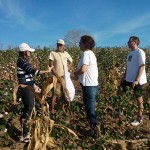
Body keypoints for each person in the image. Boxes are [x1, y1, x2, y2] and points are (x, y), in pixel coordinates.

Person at [17, 43, 52, 142]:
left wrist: (34, 86)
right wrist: (47, 71)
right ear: (25, 52)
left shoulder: (23, 61)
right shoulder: (21, 61)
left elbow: (28, 77)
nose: (30, 53)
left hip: (28, 87)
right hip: (25, 88)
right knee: (30, 108)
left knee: (31, 107)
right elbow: (33, 71)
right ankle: (25, 135)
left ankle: (25, 130)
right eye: (29, 51)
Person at [74, 35, 99, 140]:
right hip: (90, 85)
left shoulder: (86, 53)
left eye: (80, 42)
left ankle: (95, 133)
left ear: (85, 44)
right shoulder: (90, 54)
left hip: (89, 86)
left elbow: (83, 69)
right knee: (89, 109)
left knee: (90, 110)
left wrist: (76, 73)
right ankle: (93, 129)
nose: (79, 44)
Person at [121, 36, 147, 126]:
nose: (128, 42)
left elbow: (142, 66)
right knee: (121, 93)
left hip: (138, 81)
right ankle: (121, 111)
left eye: (129, 41)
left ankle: (140, 118)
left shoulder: (140, 52)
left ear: (135, 42)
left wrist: (136, 80)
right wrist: (124, 76)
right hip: (128, 79)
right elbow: (128, 68)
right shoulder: (130, 54)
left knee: (139, 98)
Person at [49, 39, 73, 113]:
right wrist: (57, 75)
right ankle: (52, 109)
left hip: (64, 76)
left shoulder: (66, 53)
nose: (59, 46)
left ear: (63, 46)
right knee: (55, 93)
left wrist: (67, 69)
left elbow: (71, 61)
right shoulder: (53, 53)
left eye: (60, 45)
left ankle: (62, 107)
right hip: (56, 77)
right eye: (58, 44)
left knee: (64, 92)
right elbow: (51, 65)